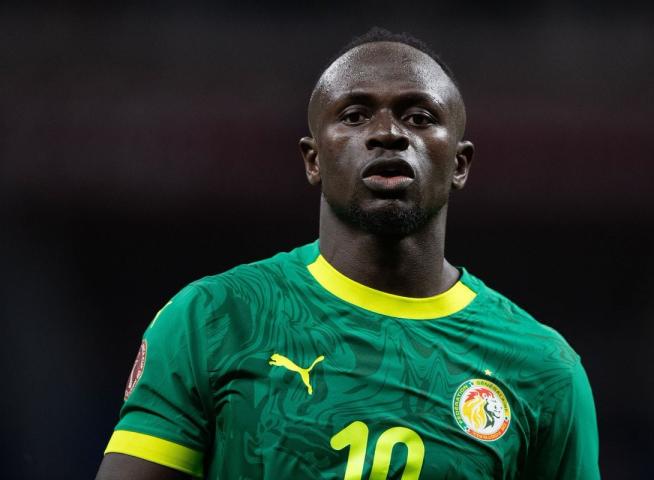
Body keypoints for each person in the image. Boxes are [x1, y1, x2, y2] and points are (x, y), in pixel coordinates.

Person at [96, 28, 600, 479]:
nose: (388, 134)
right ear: (313, 159)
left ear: (460, 164)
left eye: (419, 117)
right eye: (355, 116)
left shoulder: (542, 369)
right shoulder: (214, 319)